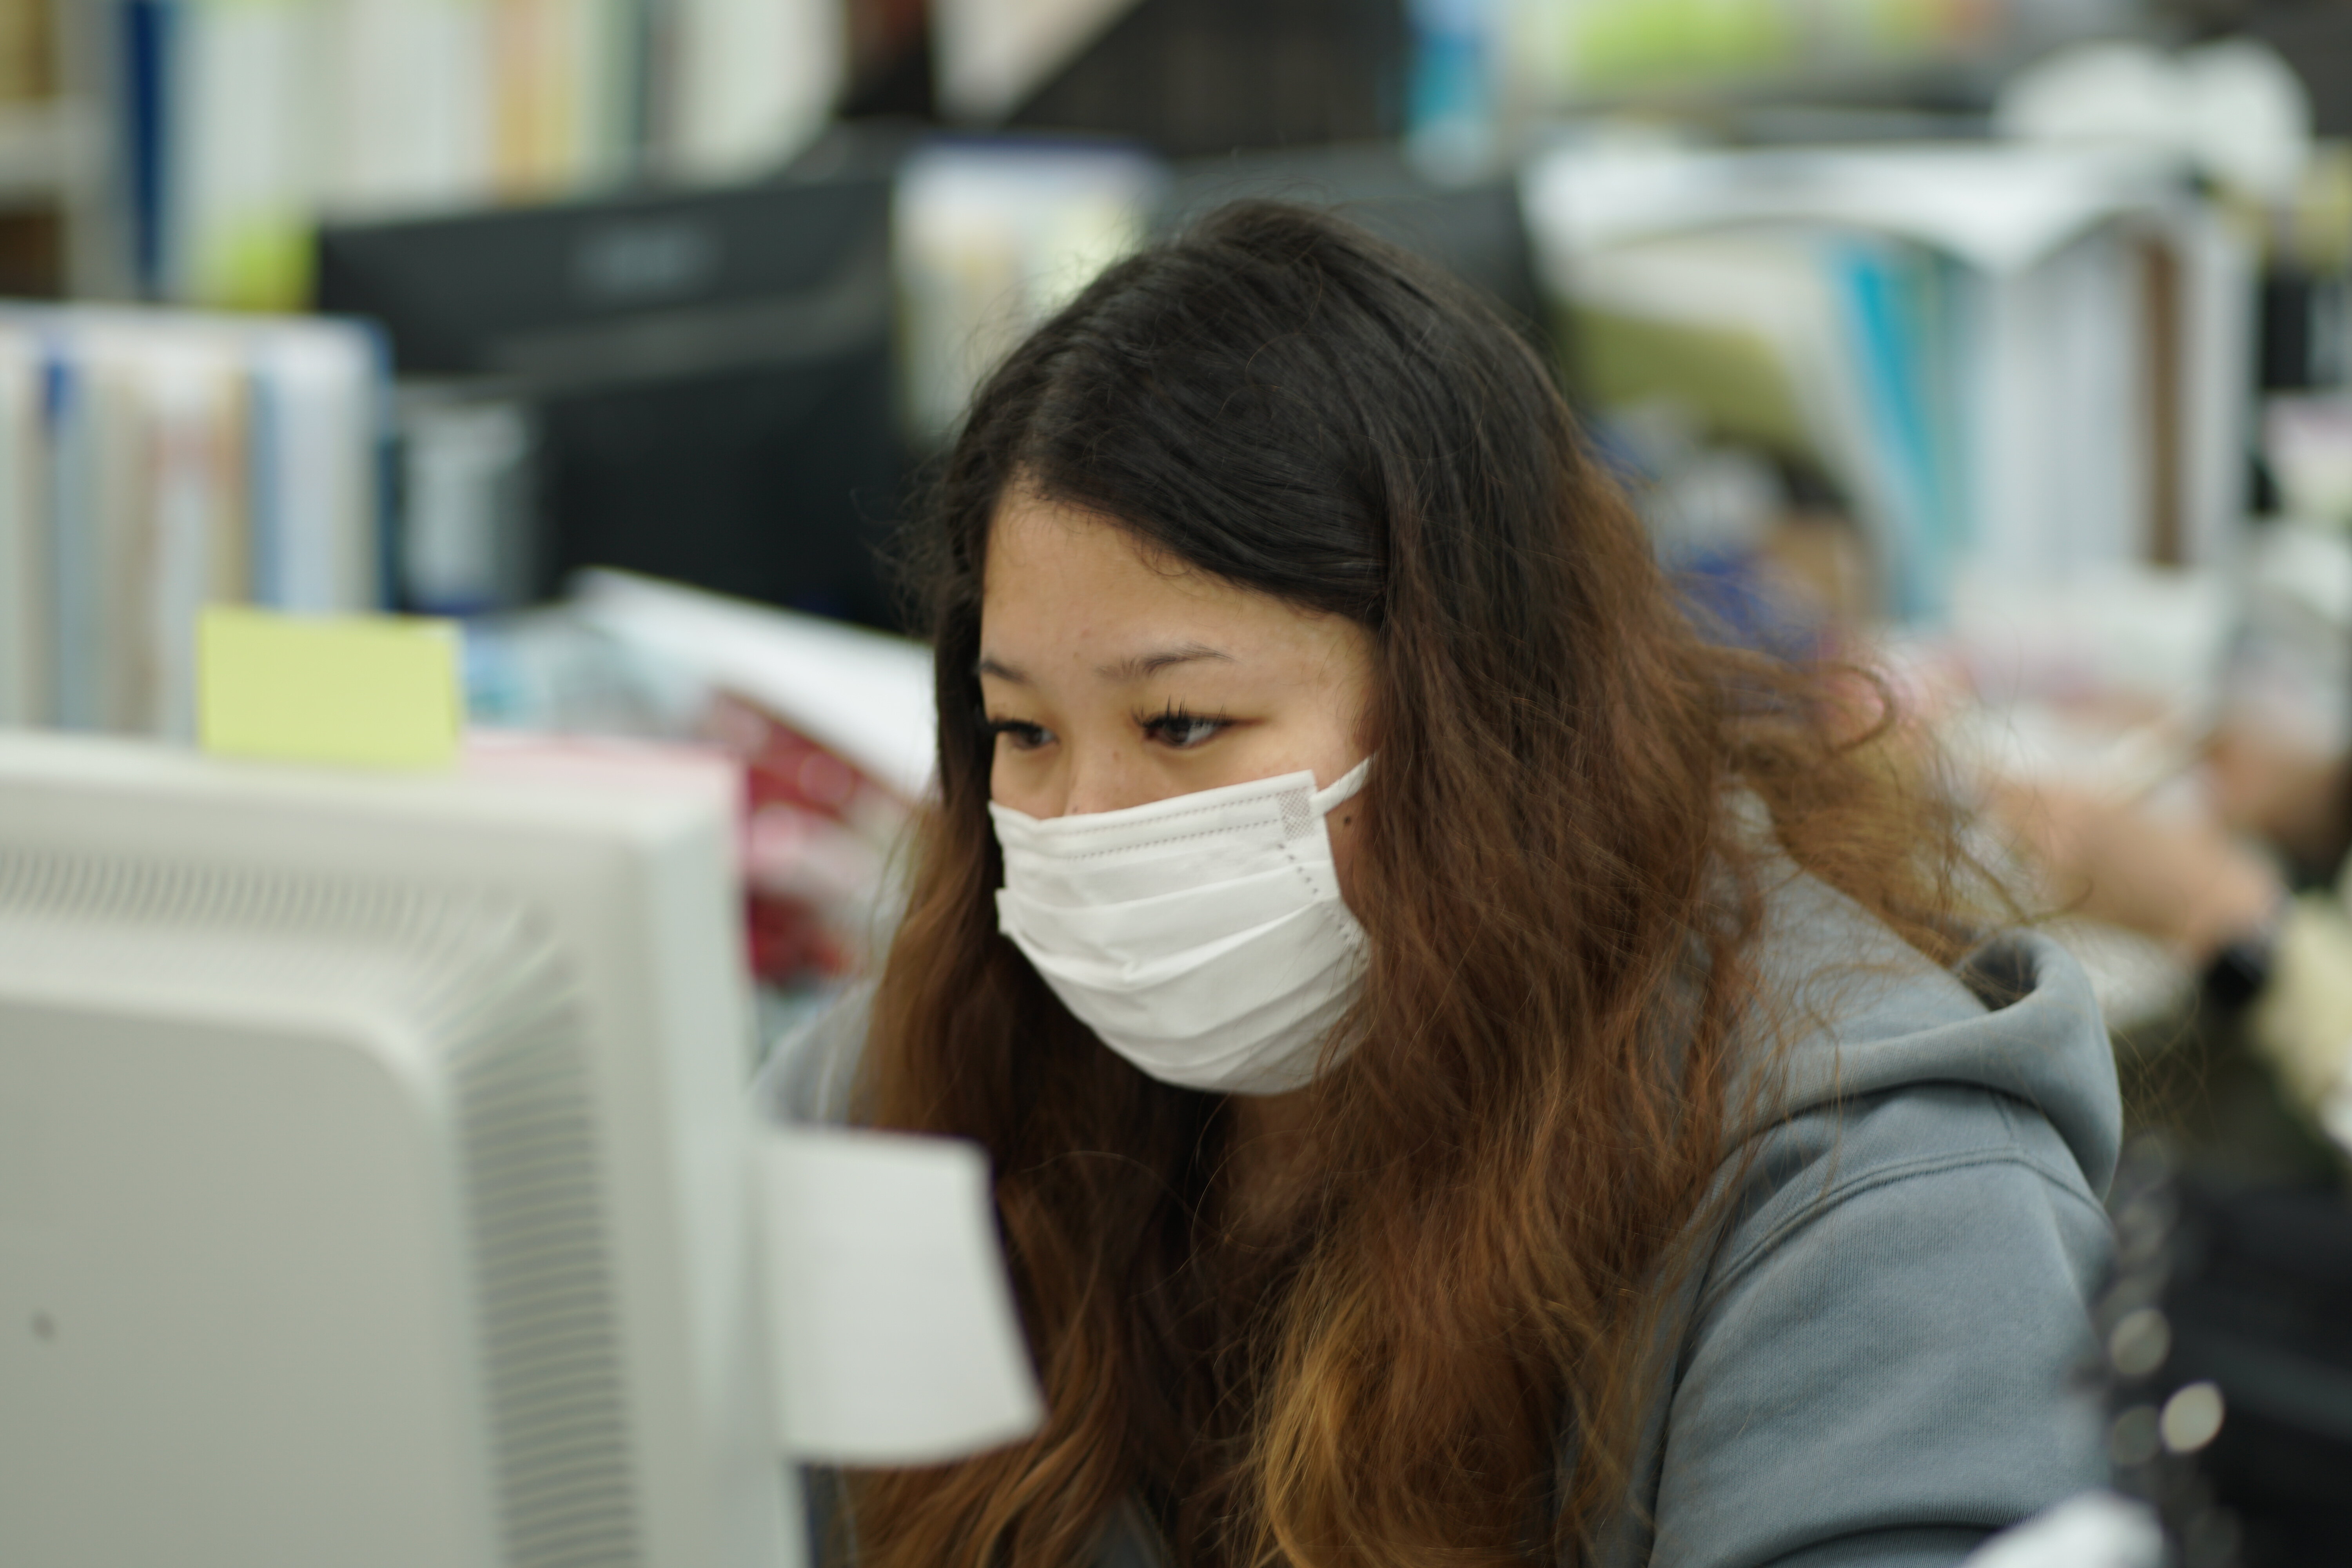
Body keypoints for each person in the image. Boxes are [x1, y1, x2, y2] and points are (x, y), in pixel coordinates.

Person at [760, 202, 2119, 1568]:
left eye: (1182, 724)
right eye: (1024, 731)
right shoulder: (918, 1082)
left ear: (1476, 717)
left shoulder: (1878, 1204)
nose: (1083, 825)